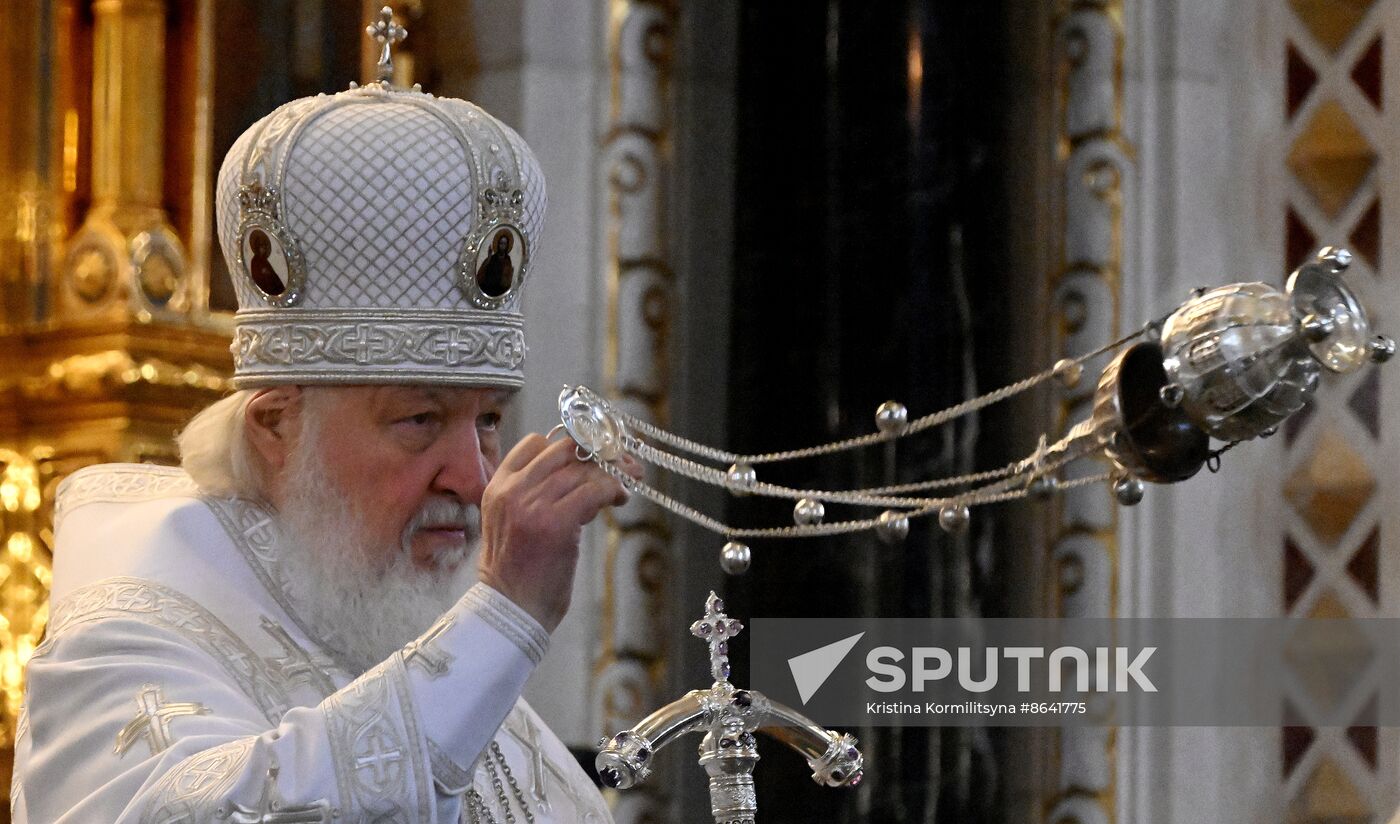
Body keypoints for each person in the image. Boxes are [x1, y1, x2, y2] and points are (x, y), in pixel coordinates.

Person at [10, 34, 628, 824]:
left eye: (489, 421)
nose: (473, 479)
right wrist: (502, 618)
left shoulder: (407, 627)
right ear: (276, 426)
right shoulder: (128, 630)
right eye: (418, 420)